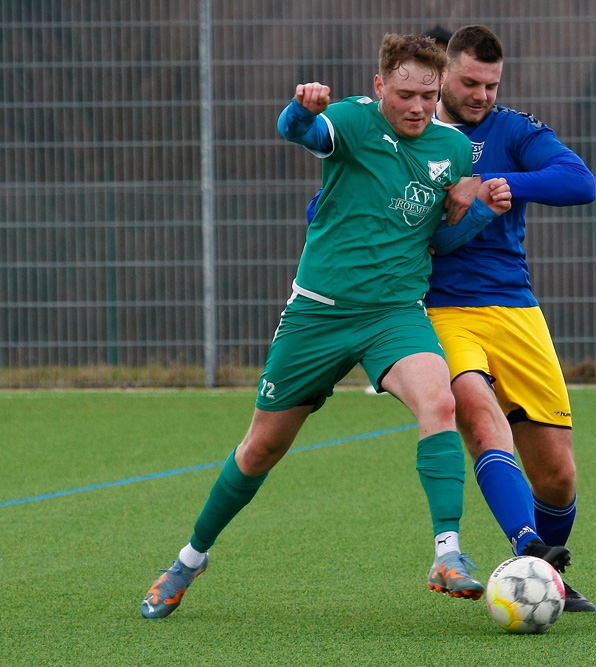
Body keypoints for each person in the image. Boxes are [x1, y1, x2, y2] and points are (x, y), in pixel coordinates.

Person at [140, 33, 512, 619]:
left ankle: (448, 552)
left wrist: (481, 212)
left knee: (440, 403)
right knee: (261, 448)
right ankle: (190, 558)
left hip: (393, 315)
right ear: (379, 87)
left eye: (428, 96)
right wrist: (300, 109)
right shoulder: (350, 123)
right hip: (318, 313)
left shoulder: (454, 149)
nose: (417, 107)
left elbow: (438, 240)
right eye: (405, 94)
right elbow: (300, 133)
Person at [427, 25, 596, 612]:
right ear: (443, 73)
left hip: (515, 308)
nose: (481, 95)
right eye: (469, 82)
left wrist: (499, 183)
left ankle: (546, 575)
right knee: (474, 411)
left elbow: (580, 182)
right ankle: (528, 548)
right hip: (442, 309)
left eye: (491, 85)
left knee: (557, 475)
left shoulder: (515, 129)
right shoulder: (409, 130)